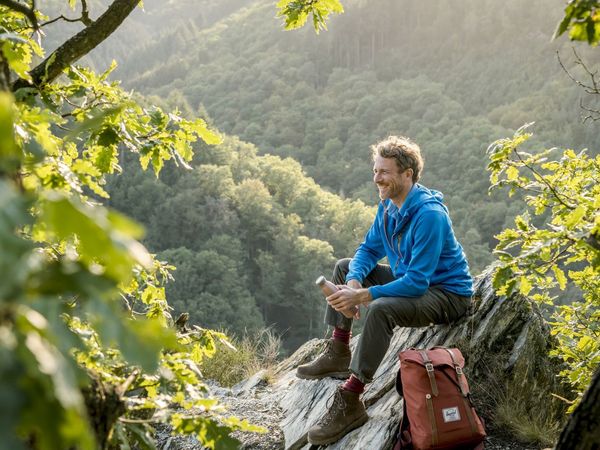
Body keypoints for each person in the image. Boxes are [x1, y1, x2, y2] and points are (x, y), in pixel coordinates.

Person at [296, 135, 474, 446]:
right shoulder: (389, 206)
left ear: (408, 174)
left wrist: (363, 296)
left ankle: (352, 397)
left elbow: (418, 282)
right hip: (414, 279)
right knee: (344, 266)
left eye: (385, 172)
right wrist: (353, 282)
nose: (377, 178)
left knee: (380, 309)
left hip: (446, 293)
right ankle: (339, 351)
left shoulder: (429, 216)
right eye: (375, 171)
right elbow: (368, 249)